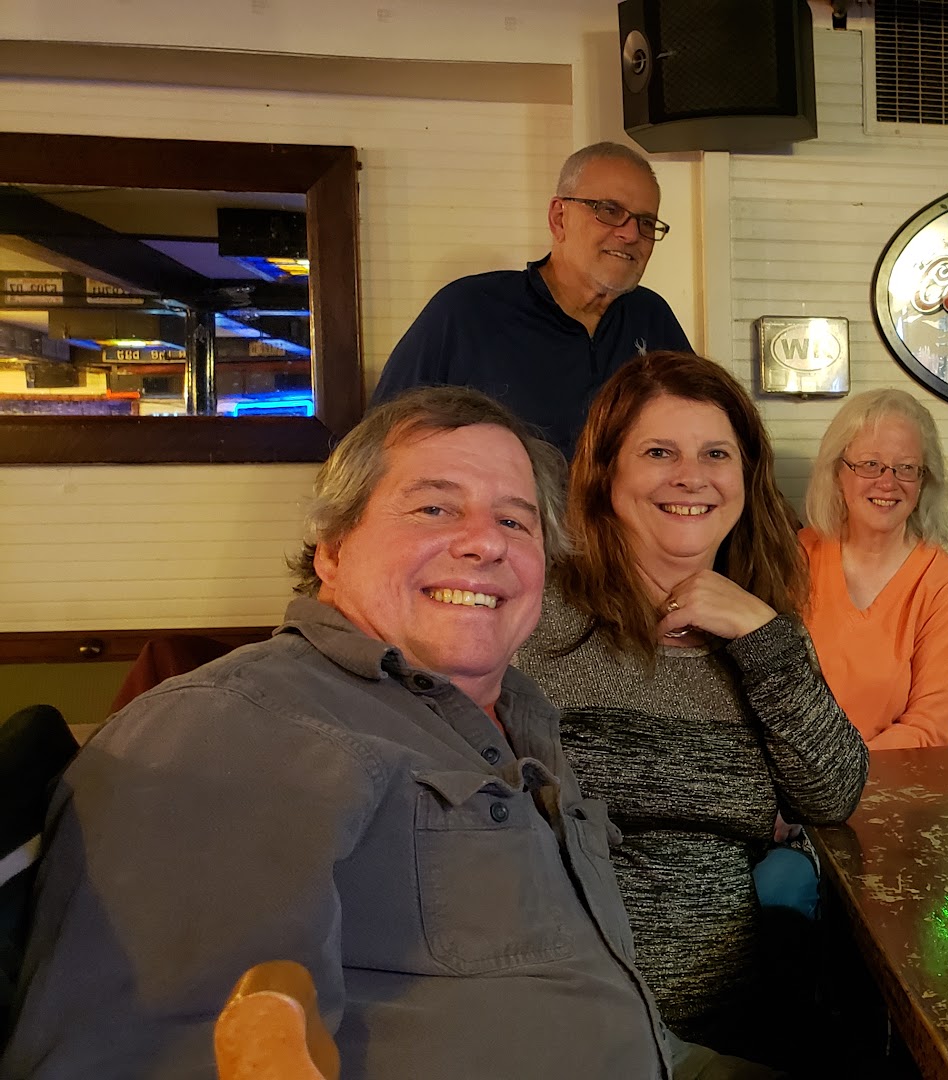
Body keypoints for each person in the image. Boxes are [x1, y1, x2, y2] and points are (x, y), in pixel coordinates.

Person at [0, 387, 773, 1079]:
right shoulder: (234, 726)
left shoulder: (519, 715)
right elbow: (157, 1058)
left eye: (515, 520)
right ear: (332, 548)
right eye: (435, 509)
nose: (486, 542)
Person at [515, 351, 868, 1061]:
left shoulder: (764, 633)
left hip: (731, 1031)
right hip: (563, 1031)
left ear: (746, 478)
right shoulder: (534, 617)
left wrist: (762, 633)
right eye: (658, 452)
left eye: (716, 454)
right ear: (606, 474)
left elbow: (832, 794)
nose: (691, 476)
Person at [372, 142, 691, 458]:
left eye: (646, 222)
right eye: (609, 211)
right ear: (559, 218)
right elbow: (381, 445)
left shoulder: (652, 317)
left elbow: (697, 429)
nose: (631, 234)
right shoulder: (467, 311)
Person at [801, 389, 948, 749]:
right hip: (784, 776)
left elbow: (930, 729)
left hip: (889, 779)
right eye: (870, 464)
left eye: (906, 468)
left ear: (924, 482)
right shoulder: (795, 556)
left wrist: (839, 773)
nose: (887, 482)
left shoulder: (947, 587)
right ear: (838, 472)